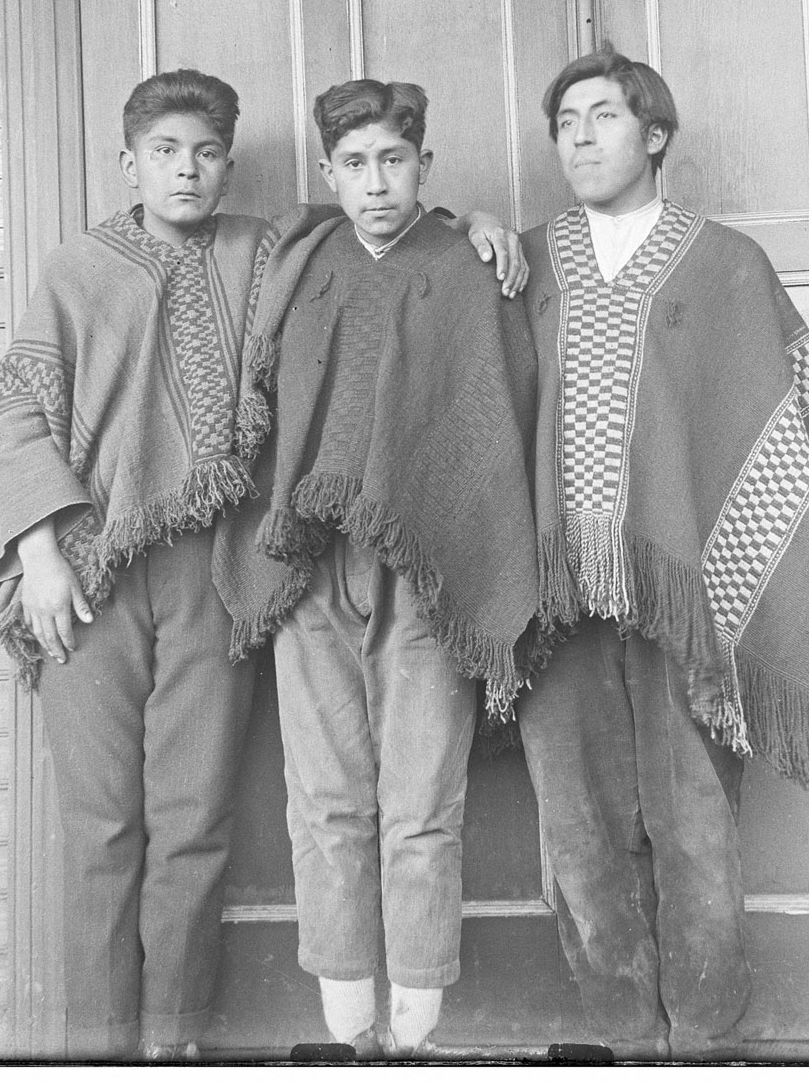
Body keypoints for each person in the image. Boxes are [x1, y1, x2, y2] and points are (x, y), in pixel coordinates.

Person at [0, 68, 527, 1061]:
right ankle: (95, 1050)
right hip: (91, 566)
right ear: (128, 164)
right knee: (101, 827)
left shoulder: (268, 249)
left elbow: (380, 230)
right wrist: (39, 548)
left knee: (194, 823)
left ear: (230, 166)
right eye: (164, 153)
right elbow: (18, 405)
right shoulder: (76, 270)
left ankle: (172, 1043)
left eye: (205, 154)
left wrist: (473, 223)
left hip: (218, 569)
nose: (185, 171)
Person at [514, 47, 809, 1060]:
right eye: (564, 122)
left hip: (687, 592)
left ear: (653, 134)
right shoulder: (523, 262)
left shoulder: (723, 261)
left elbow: (770, 409)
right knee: (574, 823)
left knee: (691, 814)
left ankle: (700, 1037)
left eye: (603, 117)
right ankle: (621, 1034)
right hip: (555, 594)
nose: (579, 138)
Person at [214, 79, 539, 1059]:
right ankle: (348, 1021)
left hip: (429, 566)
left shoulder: (464, 266)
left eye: (393, 161)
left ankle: (415, 1025)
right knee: (323, 798)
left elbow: (496, 415)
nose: (374, 183)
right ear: (328, 171)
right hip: (307, 561)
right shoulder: (300, 256)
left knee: (420, 803)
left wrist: (473, 223)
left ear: (423, 165)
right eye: (353, 164)